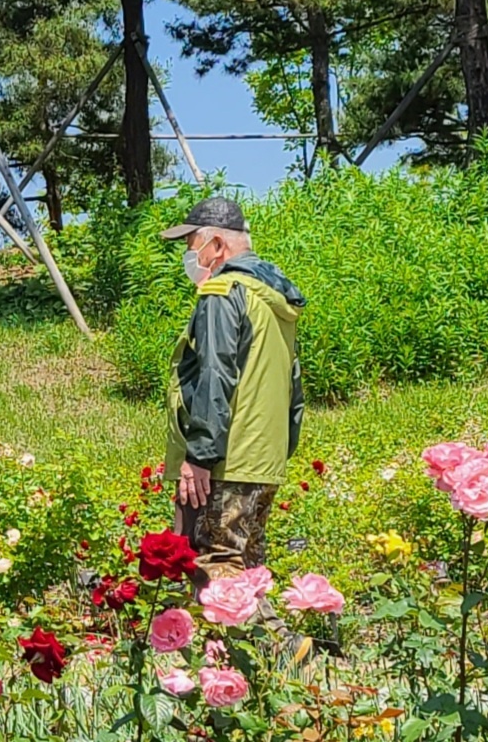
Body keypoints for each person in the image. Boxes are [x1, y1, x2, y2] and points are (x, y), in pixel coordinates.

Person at [160, 197, 306, 645]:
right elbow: (293, 385)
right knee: (246, 565)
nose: (190, 256)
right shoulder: (276, 300)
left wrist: (200, 455)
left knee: (216, 565)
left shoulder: (222, 293)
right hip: (263, 455)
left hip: (228, 456)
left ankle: (279, 648)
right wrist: (282, 447)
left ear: (217, 245)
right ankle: (246, 667)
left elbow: (213, 374)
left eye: (192, 244)